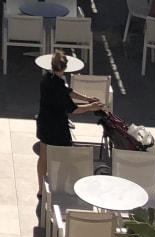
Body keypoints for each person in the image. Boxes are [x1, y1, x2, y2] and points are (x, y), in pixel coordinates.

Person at [35, 50, 105, 192]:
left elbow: (67, 90)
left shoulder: (46, 78)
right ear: (65, 67)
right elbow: (73, 109)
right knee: (65, 158)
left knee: (43, 158)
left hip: (44, 123)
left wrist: (86, 98)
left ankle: (41, 189)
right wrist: (91, 106)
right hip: (58, 127)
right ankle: (59, 188)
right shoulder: (60, 87)